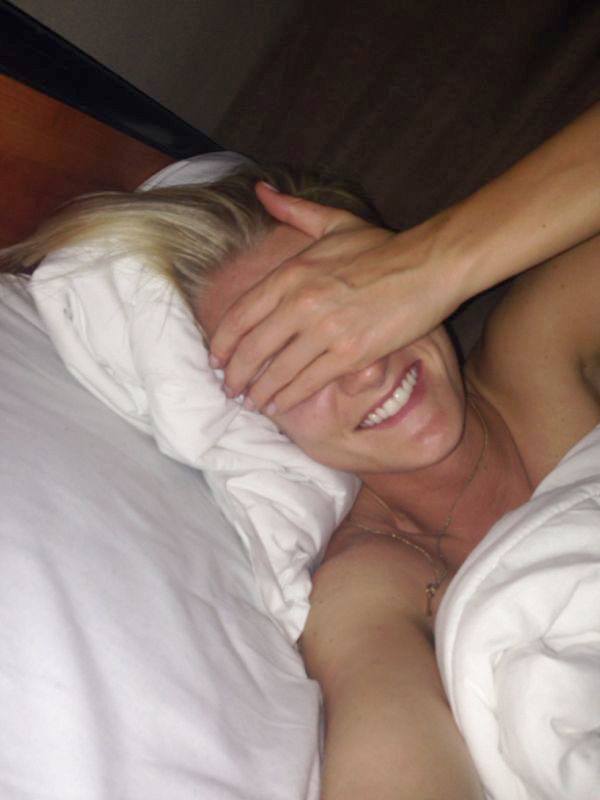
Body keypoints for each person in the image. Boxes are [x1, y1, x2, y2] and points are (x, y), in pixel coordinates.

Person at [2, 101, 599, 799]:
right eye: (287, 359)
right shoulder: (368, 583)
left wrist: (434, 262)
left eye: (358, 307)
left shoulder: (541, 345)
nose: (362, 367)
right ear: (246, 422)